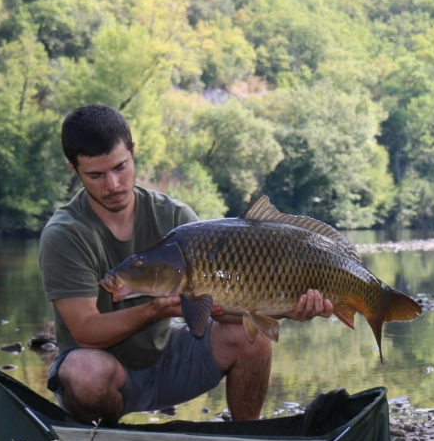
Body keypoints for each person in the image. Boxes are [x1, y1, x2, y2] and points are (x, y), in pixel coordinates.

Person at [39, 104, 333, 424]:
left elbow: (229, 309)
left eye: (120, 167)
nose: (113, 184)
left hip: (171, 358)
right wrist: (155, 309)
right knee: (84, 373)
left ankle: (248, 439)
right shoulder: (65, 234)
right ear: (74, 169)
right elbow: (85, 332)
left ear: (133, 152)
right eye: (96, 175)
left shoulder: (177, 219)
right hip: (104, 372)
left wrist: (286, 309)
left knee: (252, 338)